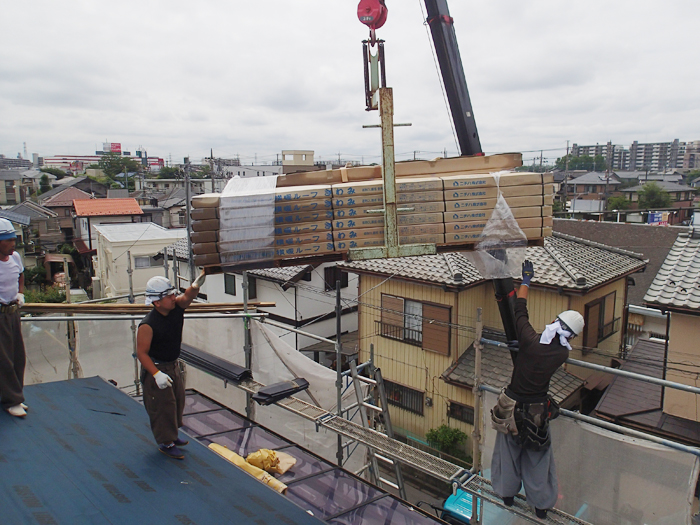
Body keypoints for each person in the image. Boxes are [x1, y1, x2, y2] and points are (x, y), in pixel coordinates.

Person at [490, 259, 584, 519]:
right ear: (572, 336)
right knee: (538, 458)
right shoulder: (561, 355)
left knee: (508, 452)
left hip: (510, 406)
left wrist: (526, 281)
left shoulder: (531, 341)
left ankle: (507, 495)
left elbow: (519, 311)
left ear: (555, 321)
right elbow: (552, 339)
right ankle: (541, 506)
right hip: (536, 412)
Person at [137, 271, 206, 459]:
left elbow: (187, 297)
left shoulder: (176, 309)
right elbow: (141, 353)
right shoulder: (148, 324)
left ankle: (173, 436)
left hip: (172, 365)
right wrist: (156, 374)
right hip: (157, 369)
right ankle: (166, 442)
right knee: (162, 406)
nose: (173, 298)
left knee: (177, 401)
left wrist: (196, 284)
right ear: (156, 302)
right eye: (169, 296)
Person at [0, 218, 28, 418]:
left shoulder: (16, 257)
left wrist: (20, 293)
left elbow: (21, 275)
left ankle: (15, 395)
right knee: (4, 361)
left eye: (13, 239)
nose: (12, 244)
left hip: (13, 312)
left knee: (18, 357)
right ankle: (12, 400)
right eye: (8, 240)